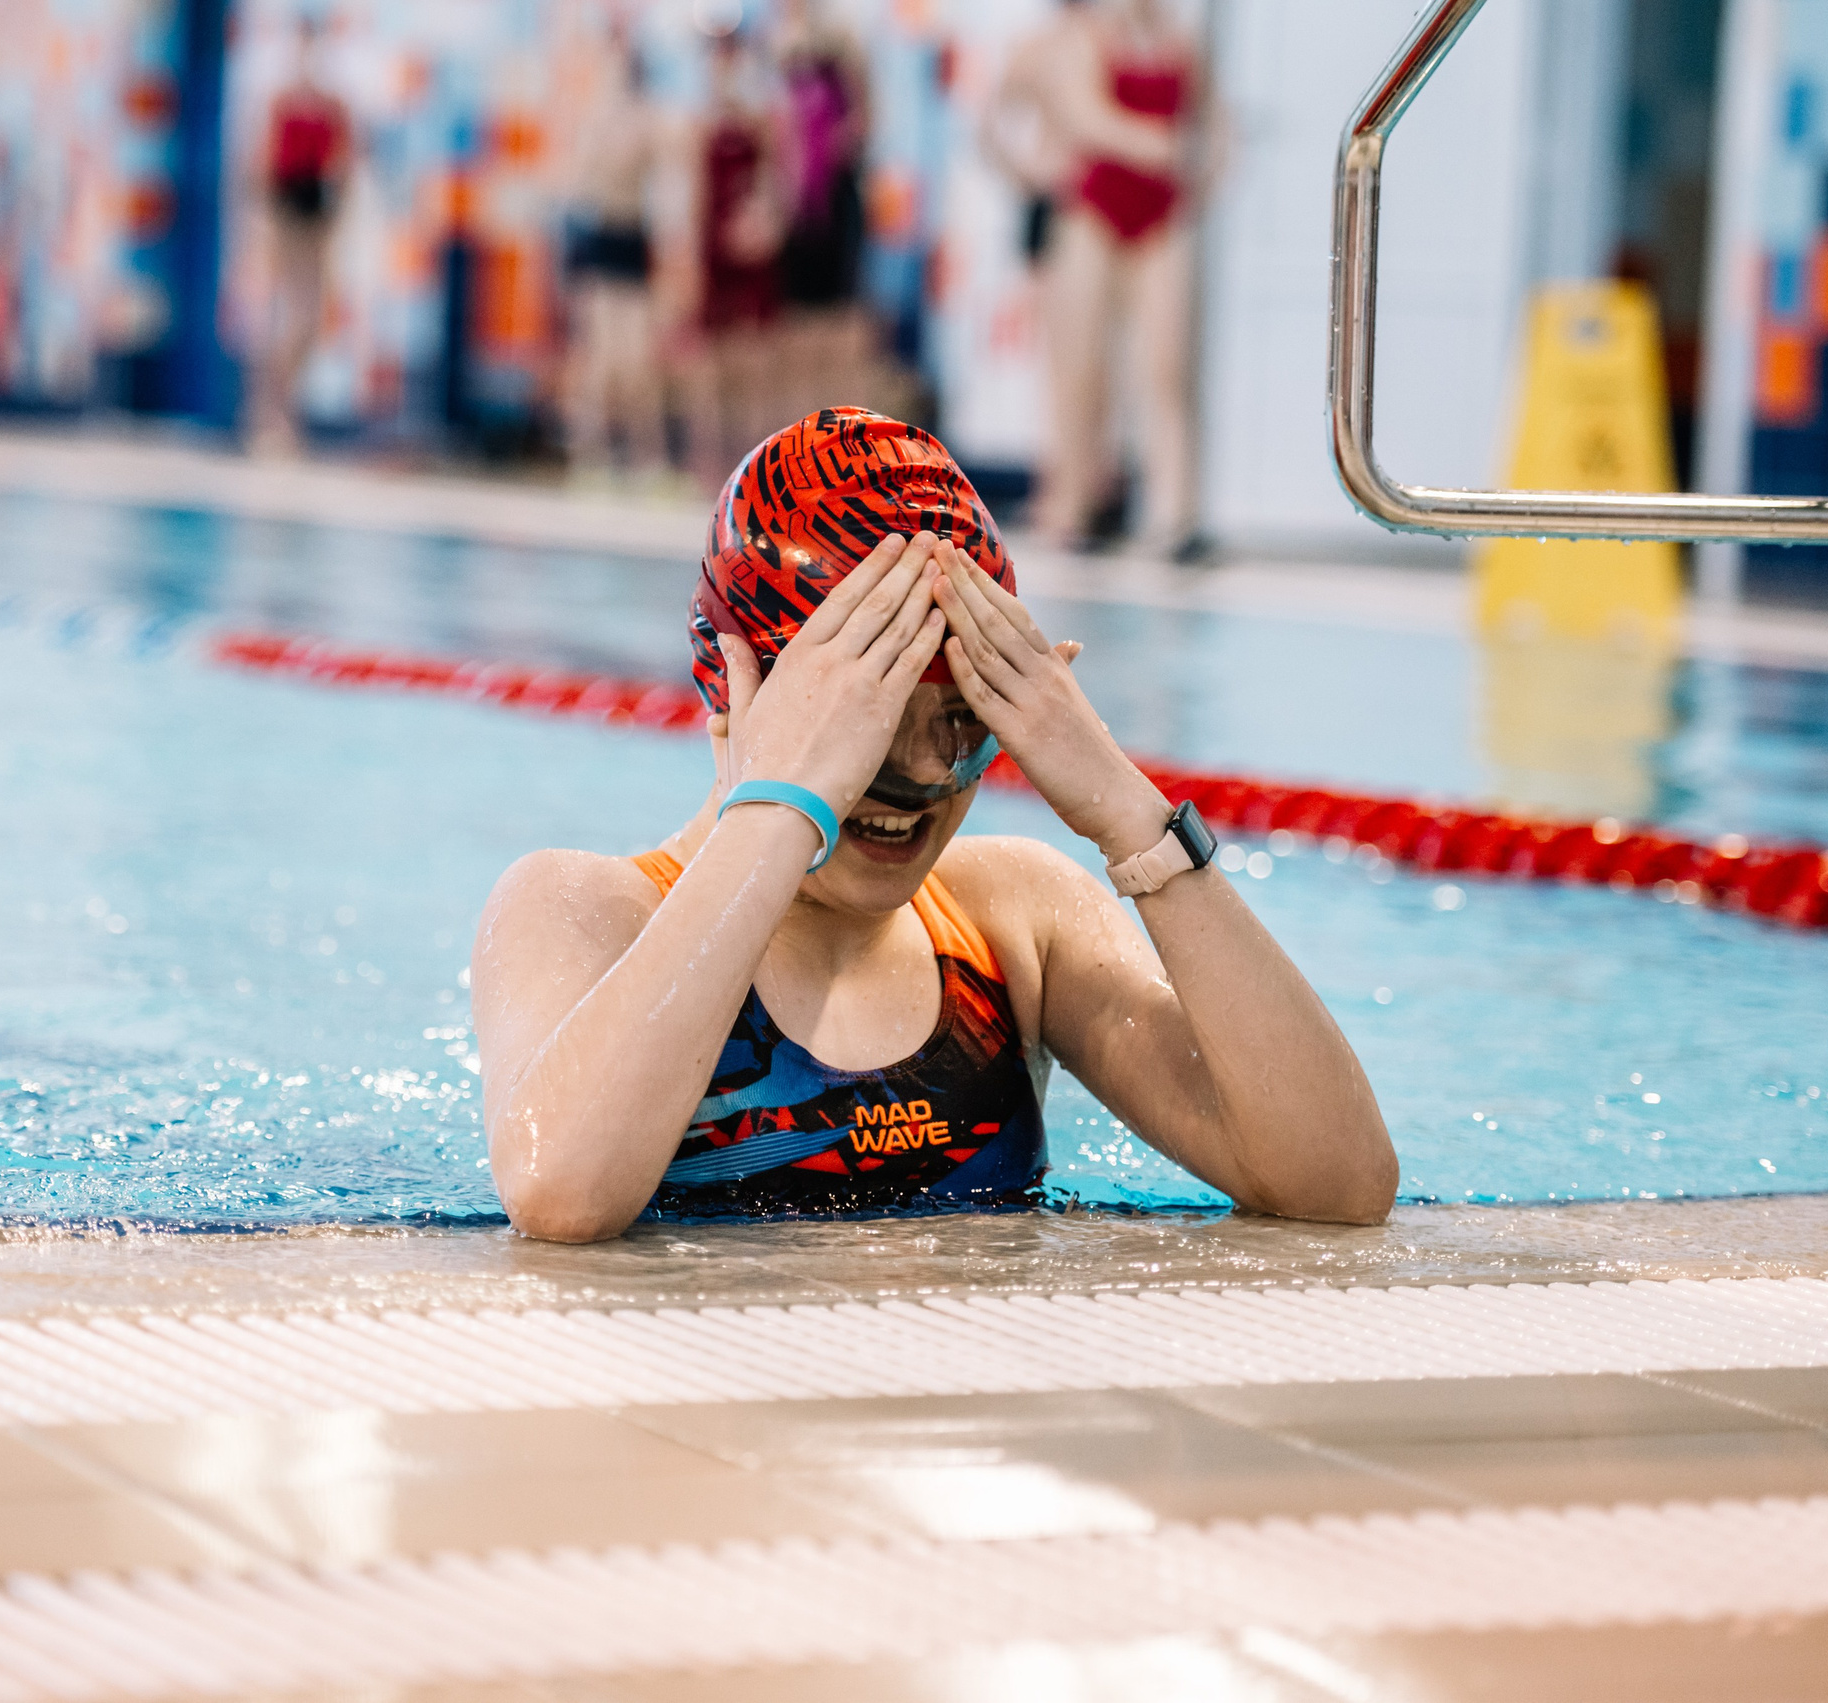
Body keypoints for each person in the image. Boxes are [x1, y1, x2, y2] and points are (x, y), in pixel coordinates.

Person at [472, 408, 1396, 1241]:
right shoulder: (586, 908)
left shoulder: (1013, 923)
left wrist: (1124, 809)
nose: (920, 779)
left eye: (960, 724)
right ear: (739, 689)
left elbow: (1336, 1181)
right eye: (864, 726)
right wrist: (780, 802)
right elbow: (561, 1194)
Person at [988, 0, 1213, 557]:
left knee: (1162, 364)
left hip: (1155, 212)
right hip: (1088, 208)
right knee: (1076, 370)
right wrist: (1030, 173)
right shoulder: (1063, 42)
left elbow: (1209, 123)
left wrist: (1202, 178)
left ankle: (1167, 510)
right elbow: (1054, 116)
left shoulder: (1179, 44)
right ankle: (1072, 500)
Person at [677, 24, 785, 489]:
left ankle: (755, 464)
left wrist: (763, 218)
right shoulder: (696, 121)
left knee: (753, 358)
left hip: (748, 242)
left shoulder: (759, 118)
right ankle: (706, 462)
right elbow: (686, 190)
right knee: (707, 360)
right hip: (710, 245)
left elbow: (776, 178)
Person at [560, 30, 668, 484]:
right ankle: (591, 456)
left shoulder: (649, 121)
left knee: (639, 363)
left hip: (632, 240)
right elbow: (577, 185)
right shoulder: (595, 124)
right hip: (601, 240)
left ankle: (648, 460)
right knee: (599, 360)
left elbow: (664, 182)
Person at [248, 13, 355, 456]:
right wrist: (266, 224)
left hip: (317, 219)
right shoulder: (281, 101)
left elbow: (343, 166)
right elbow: (262, 166)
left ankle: (283, 405)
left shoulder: (334, 104)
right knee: (285, 314)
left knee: (310, 319)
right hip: (287, 216)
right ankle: (271, 413)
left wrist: (336, 219)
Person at [770, 0, 874, 420]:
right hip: (796, 201)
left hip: (834, 197)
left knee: (841, 320)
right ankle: (803, 431)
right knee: (796, 325)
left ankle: (848, 431)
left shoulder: (843, 44)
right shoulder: (780, 44)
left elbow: (862, 123)